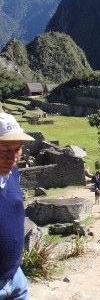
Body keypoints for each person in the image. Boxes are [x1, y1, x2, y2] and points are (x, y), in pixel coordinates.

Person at [0, 113, 35, 300]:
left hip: (15, 278)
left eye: (17, 148)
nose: (13, 157)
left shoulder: (12, 172)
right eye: (5, 150)